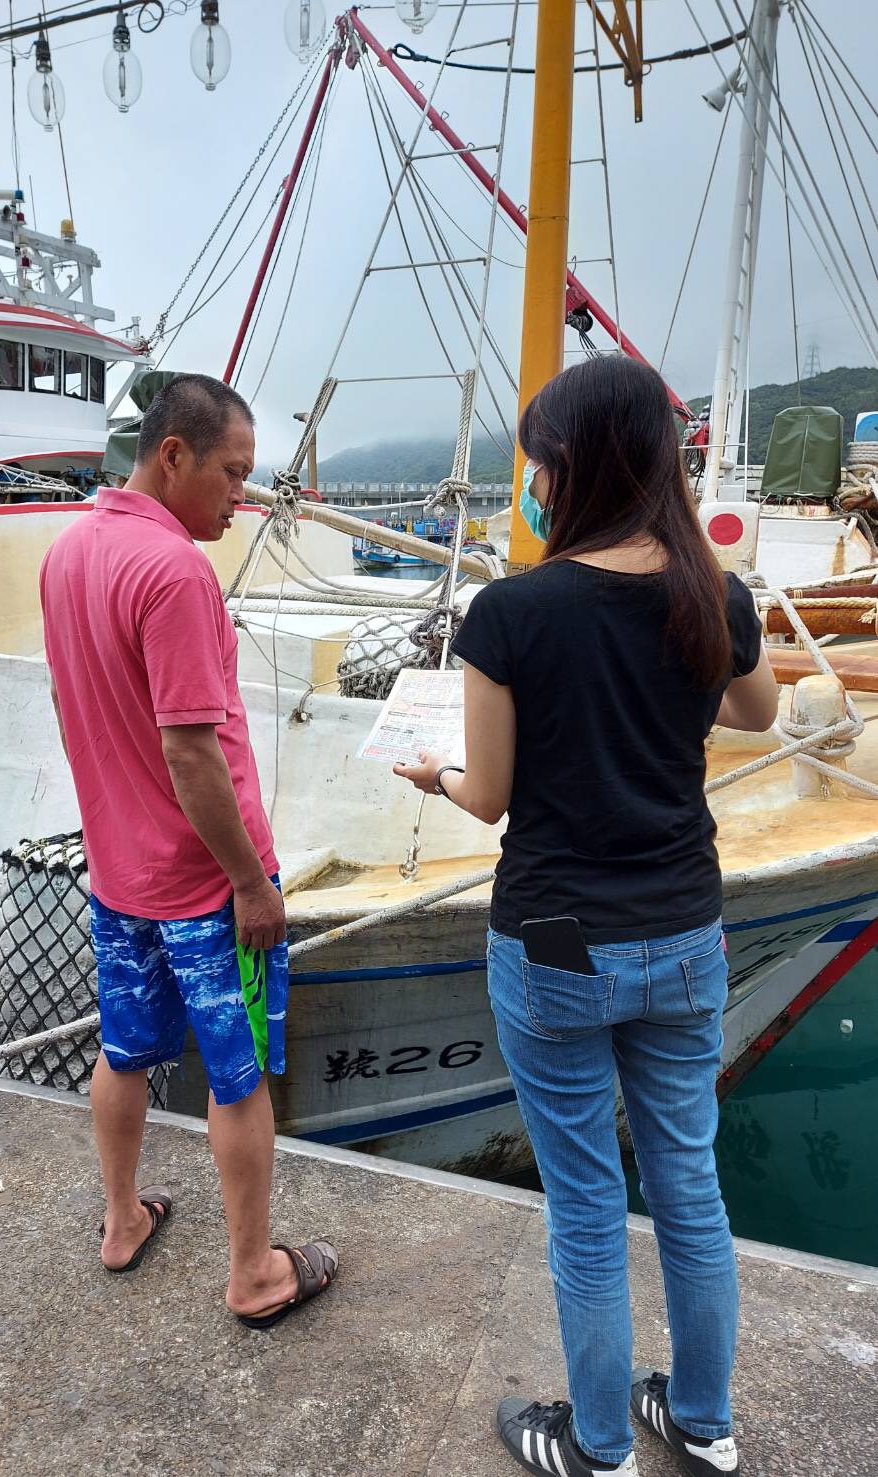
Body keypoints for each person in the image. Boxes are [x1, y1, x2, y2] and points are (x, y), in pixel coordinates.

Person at [395, 355, 778, 1477]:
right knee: (689, 1184)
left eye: (538, 463)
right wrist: (723, 607)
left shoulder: (512, 610)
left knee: (585, 1204)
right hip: (685, 932)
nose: (533, 481)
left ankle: (599, 1445)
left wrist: (433, 776)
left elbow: (492, 795)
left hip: (558, 936)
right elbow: (754, 709)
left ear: (568, 469)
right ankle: (704, 1425)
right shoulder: (714, 593)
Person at [39, 372, 337, 1328]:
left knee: (123, 1051)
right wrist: (249, 880)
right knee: (239, 1072)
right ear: (174, 456)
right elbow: (188, 747)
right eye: (233, 475)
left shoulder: (69, 552)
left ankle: (122, 1219)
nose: (241, 499)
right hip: (206, 885)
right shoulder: (173, 573)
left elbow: (85, 710)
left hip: (119, 876)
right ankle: (255, 1273)